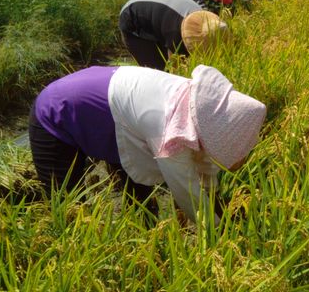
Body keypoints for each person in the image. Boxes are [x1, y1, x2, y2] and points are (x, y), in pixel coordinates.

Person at [28, 64, 267, 222]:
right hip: (56, 114)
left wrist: (217, 203)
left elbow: (204, 167)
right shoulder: (167, 128)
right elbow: (188, 194)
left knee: (138, 187)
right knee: (66, 206)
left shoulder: (200, 105)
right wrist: (222, 231)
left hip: (108, 109)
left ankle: (143, 231)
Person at [119, 0, 228, 70]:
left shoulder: (208, 23)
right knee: (158, 72)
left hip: (161, 14)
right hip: (133, 17)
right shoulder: (177, 35)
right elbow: (175, 70)